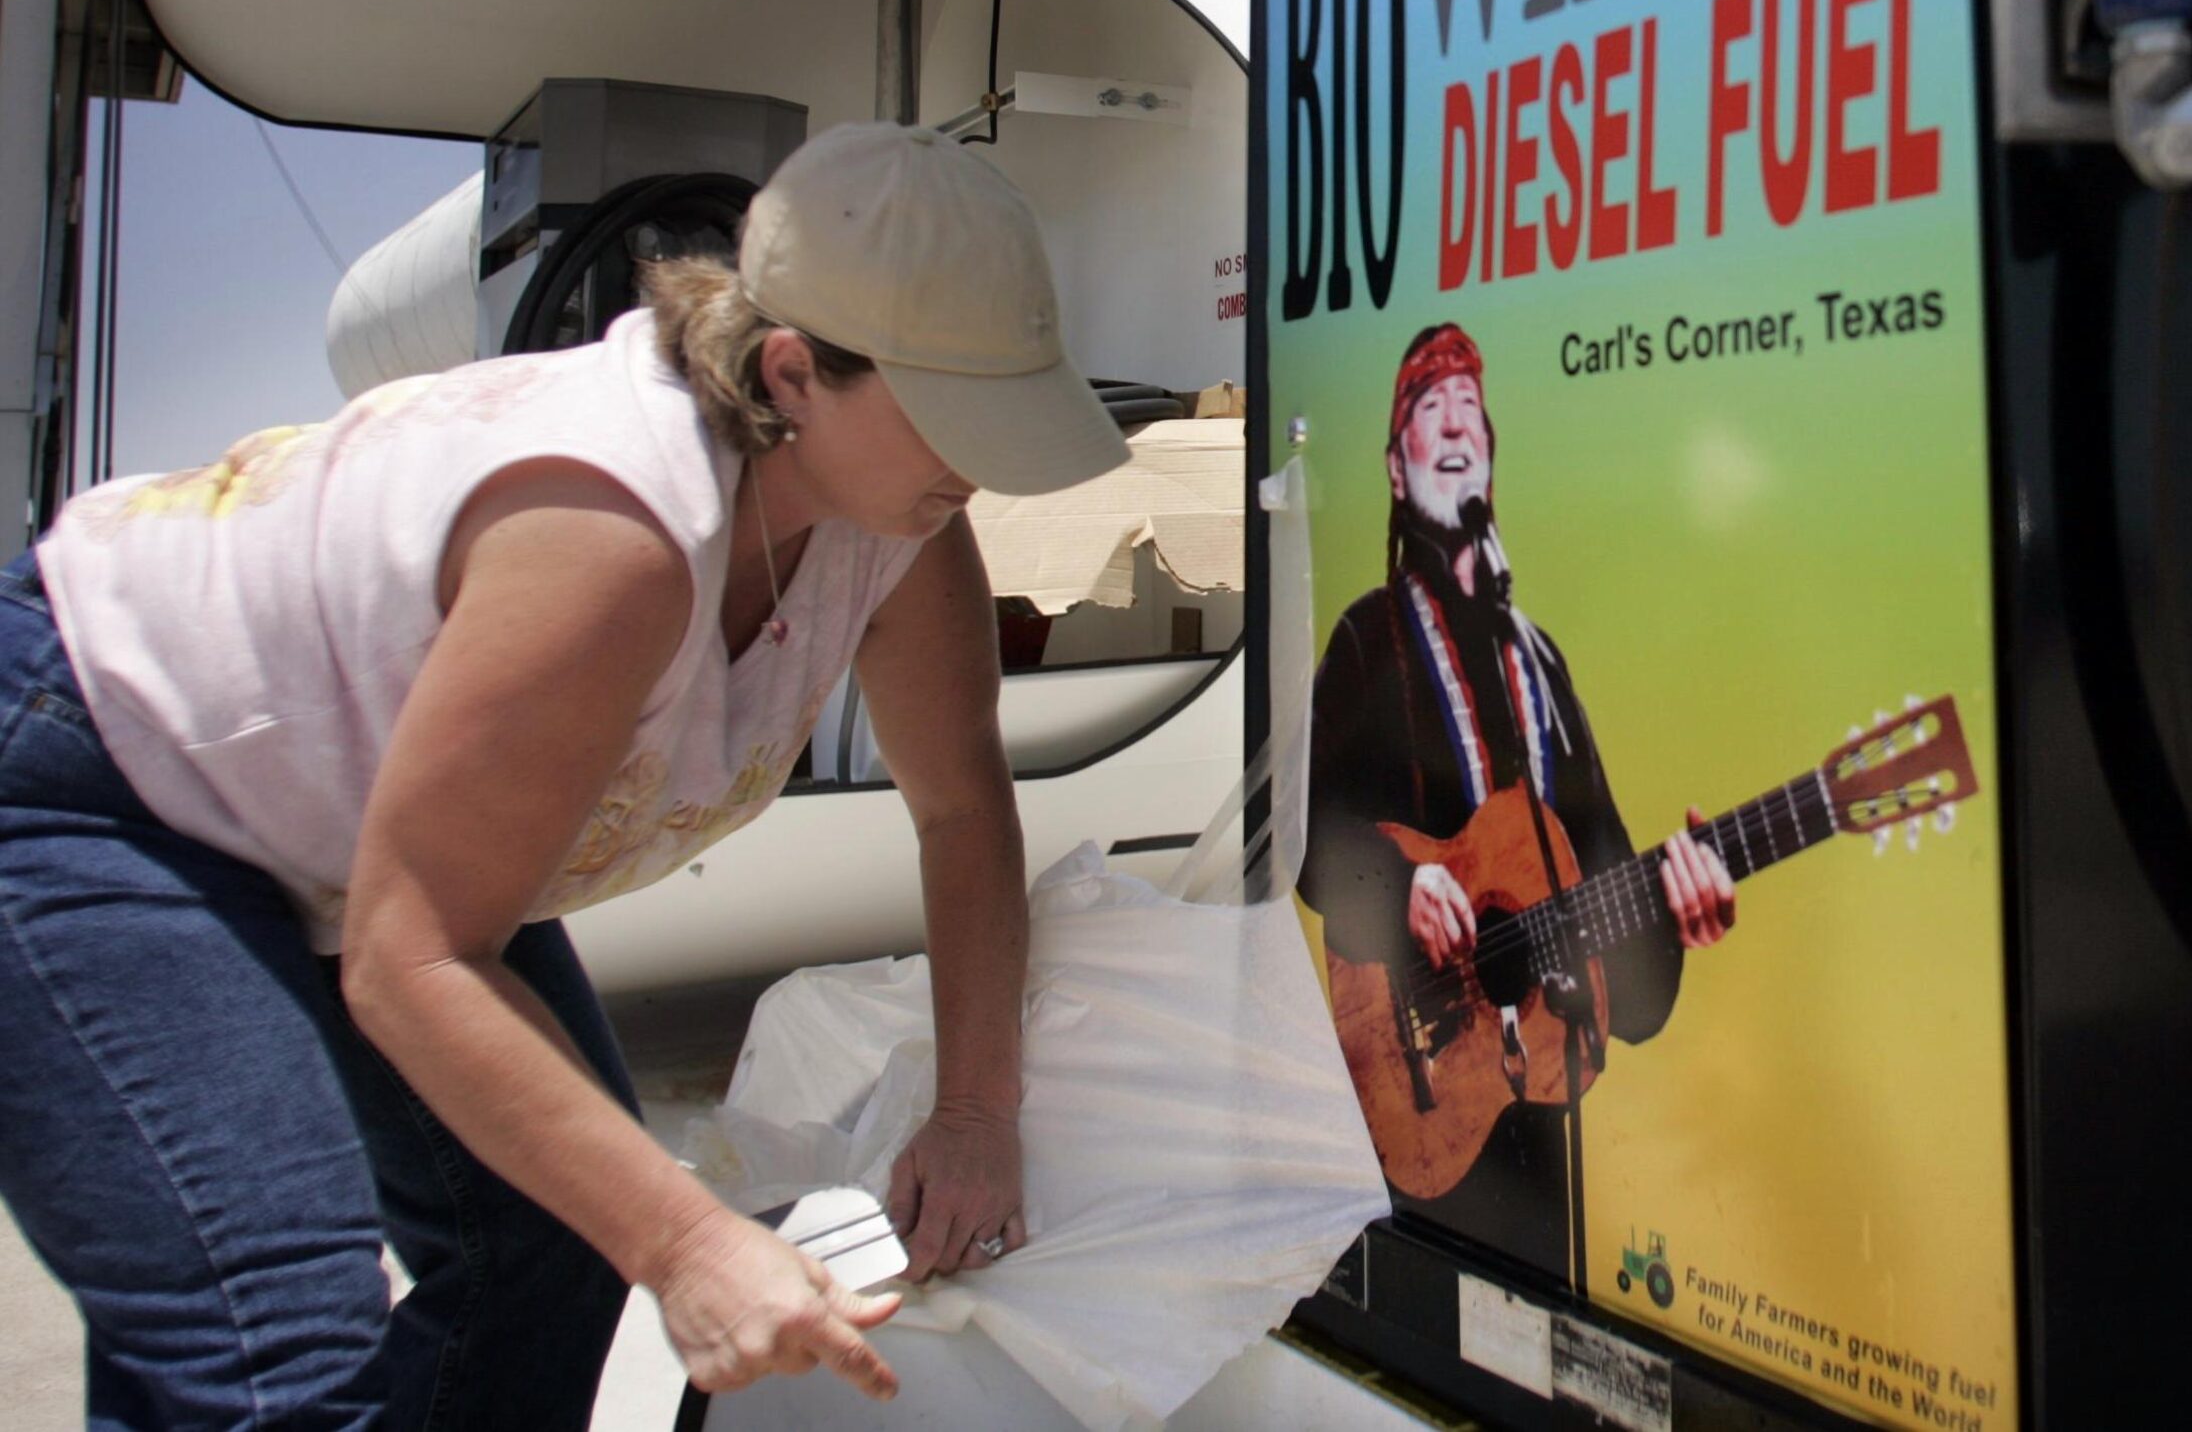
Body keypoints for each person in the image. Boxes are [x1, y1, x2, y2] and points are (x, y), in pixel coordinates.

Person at [0, 122, 1128, 1428]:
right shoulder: (613, 529)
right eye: (954, 415)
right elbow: (413, 957)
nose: (980, 461)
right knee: (272, 1353)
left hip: (346, 833)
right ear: (791, 372)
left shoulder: (899, 525)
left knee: (543, 1243)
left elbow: (960, 807)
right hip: (102, 765)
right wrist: (691, 1242)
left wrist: (978, 1108)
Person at [1301, 323, 1734, 1283]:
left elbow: (1610, 882)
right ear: (1393, 463)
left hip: (1541, 1121)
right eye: (1428, 410)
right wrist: (1401, 883)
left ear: (1489, 459)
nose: (1455, 427)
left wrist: (1671, 916)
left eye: (1471, 413)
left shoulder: (1542, 666)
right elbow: (1308, 838)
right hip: (1410, 1097)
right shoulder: (1370, 642)